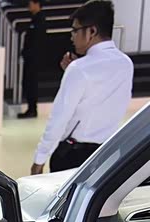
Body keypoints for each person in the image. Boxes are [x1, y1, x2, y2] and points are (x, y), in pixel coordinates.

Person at [30, 0, 133, 174]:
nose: (72, 36)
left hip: (73, 154)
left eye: (75, 30)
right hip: (106, 154)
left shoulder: (79, 69)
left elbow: (59, 118)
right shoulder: (125, 63)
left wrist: (39, 159)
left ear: (92, 31)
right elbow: (100, 93)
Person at [18, 0, 47, 119]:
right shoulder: (34, 19)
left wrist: (30, 52)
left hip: (34, 57)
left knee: (31, 82)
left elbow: (37, 40)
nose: (28, 6)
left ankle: (32, 109)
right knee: (28, 82)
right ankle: (30, 107)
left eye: (30, 3)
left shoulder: (40, 20)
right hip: (30, 57)